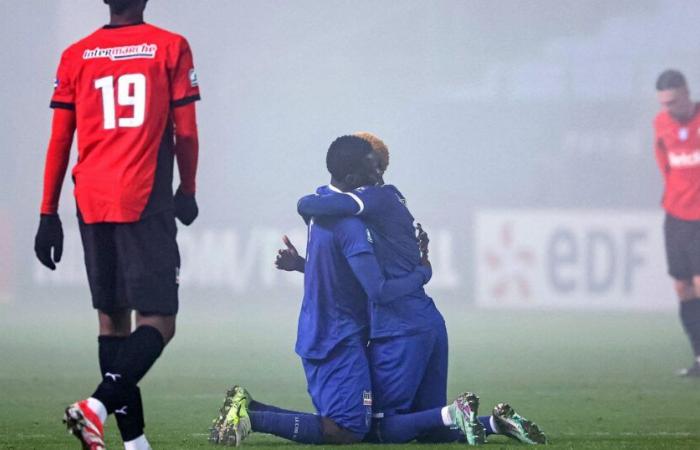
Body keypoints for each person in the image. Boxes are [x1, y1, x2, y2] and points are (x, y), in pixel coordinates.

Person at [209, 136, 482, 446]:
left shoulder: (320, 205)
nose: (380, 177)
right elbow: (376, 289)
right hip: (337, 336)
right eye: (374, 170)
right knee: (353, 429)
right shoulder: (352, 223)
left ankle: (249, 408)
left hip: (329, 330)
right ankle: (250, 416)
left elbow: (335, 266)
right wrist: (424, 272)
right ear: (353, 178)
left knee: (360, 426)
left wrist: (303, 264)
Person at [279, 132, 546, 445]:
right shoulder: (386, 203)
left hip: (398, 330)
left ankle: (453, 413)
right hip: (428, 323)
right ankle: (494, 423)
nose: (378, 175)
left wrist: (423, 273)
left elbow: (311, 205)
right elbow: (348, 273)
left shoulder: (371, 199)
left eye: (378, 167)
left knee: (374, 428)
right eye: (374, 168)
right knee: (431, 430)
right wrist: (303, 265)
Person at [33, 0, 201, 448]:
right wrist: (187, 190)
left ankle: (134, 444)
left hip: (90, 199)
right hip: (142, 196)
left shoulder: (76, 54)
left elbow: (60, 139)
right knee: (160, 320)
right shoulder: (170, 47)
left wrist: (47, 213)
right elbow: (185, 132)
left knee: (112, 322)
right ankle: (96, 406)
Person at [654, 69, 700, 377]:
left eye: (673, 101)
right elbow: (664, 164)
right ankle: (699, 357)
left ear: (686, 92)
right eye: (663, 103)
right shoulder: (661, 124)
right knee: (682, 287)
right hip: (675, 215)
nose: (668, 108)